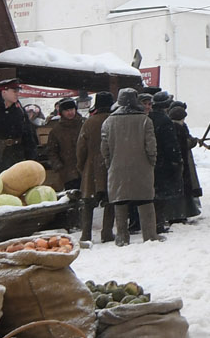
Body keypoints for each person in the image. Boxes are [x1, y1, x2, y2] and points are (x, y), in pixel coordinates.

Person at [100, 87, 158, 245]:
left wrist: (110, 163)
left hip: (117, 168)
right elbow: (151, 146)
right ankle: (150, 236)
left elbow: (104, 149)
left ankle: (122, 237)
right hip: (142, 167)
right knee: (145, 201)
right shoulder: (145, 120)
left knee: (120, 202)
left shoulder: (108, 122)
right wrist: (151, 162)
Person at [149, 92, 189, 228]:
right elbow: (171, 144)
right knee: (163, 195)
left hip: (151, 161)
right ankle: (160, 223)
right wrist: (177, 160)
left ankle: (156, 221)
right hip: (164, 162)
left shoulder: (148, 118)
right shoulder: (165, 121)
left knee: (154, 193)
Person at [79, 92, 113, 241]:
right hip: (110, 165)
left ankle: (86, 234)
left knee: (88, 203)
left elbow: (81, 148)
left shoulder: (89, 122)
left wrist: (82, 165)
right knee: (110, 200)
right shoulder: (113, 121)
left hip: (91, 167)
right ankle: (106, 232)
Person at [42, 97, 86, 195]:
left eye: (72, 109)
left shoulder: (84, 124)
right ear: (61, 112)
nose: (70, 112)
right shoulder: (56, 130)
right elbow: (51, 150)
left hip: (86, 169)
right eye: (67, 110)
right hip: (68, 171)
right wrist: (58, 166)